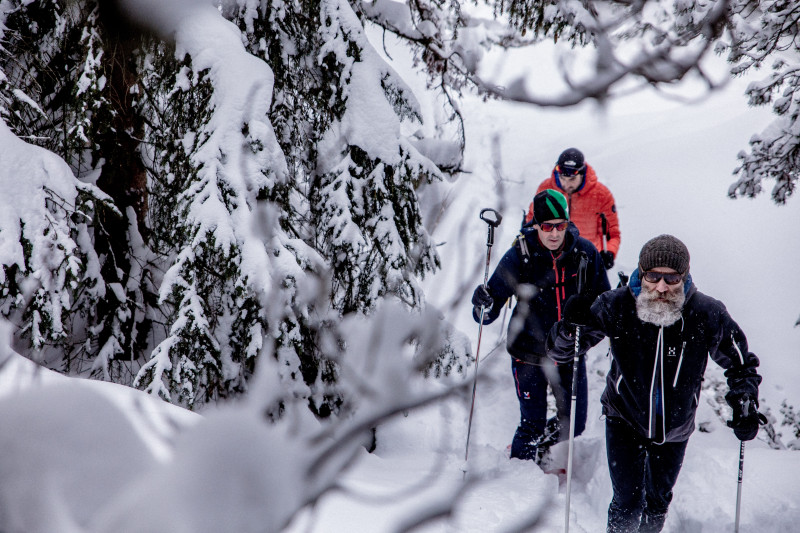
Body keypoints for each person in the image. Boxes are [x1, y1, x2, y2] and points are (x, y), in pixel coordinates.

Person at [546, 234, 764, 533]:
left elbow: (740, 363)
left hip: (676, 427)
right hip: (624, 417)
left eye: (672, 279)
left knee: (658, 503)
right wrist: (570, 327)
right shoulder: (616, 305)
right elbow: (561, 351)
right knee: (627, 501)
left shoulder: (706, 312)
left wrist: (745, 400)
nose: (661, 288)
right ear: (641, 271)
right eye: (653, 277)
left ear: (684, 276)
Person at [471, 189, 610, 463]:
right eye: (547, 227)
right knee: (531, 423)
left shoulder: (585, 253)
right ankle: (519, 474)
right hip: (527, 355)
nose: (554, 234)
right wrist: (482, 303)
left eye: (560, 226)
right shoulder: (520, 255)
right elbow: (487, 312)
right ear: (536, 225)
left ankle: (545, 447)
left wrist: (585, 334)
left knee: (574, 424)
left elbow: (603, 306)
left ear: (568, 223)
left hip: (569, 352)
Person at [525, 147, 621, 270]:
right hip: (550, 261)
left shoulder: (601, 194)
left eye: (572, 179)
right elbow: (531, 224)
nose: (566, 184)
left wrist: (610, 252)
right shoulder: (546, 189)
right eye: (562, 178)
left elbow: (613, 233)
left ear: (582, 174)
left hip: (586, 260)